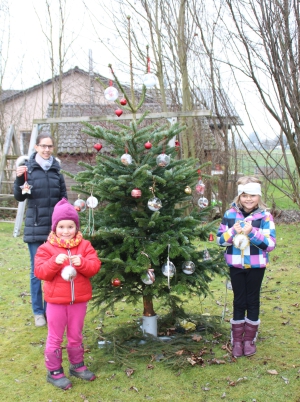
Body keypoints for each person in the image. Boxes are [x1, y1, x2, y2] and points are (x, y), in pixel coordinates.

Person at [34, 198, 101, 390]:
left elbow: (94, 267)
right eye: (61, 226)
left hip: (78, 301)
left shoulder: (85, 246)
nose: (66, 231)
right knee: (55, 336)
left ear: (76, 227)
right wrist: (55, 262)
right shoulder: (46, 248)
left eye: (70, 226)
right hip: (56, 302)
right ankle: (54, 371)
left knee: (75, 335)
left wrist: (83, 263)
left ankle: (77, 366)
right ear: (55, 227)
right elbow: (40, 272)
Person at [217, 176, 276, 358]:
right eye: (244, 196)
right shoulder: (230, 215)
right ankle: (237, 340)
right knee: (239, 300)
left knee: (252, 300)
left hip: (257, 266)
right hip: (236, 265)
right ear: (239, 197)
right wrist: (233, 230)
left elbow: (270, 244)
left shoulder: (265, 216)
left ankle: (249, 340)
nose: (248, 199)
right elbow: (220, 240)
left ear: (258, 196)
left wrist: (252, 232)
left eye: (252, 195)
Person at [14, 134, 67, 327]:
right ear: (36, 147)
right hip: (35, 228)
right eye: (43, 146)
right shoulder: (28, 169)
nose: (46, 149)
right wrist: (19, 179)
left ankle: (49, 309)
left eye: (49, 146)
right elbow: (20, 197)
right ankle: (38, 312)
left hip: (54, 231)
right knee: (37, 272)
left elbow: (63, 199)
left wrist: (66, 224)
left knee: (54, 270)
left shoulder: (56, 170)